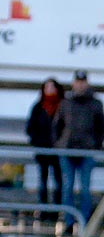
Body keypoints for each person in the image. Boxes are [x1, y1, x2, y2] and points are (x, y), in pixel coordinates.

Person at [53, 70, 104, 228]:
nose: (80, 84)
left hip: (86, 151)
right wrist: (60, 144)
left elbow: (101, 128)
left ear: (87, 83)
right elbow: (57, 126)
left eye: (83, 81)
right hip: (68, 151)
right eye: (78, 81)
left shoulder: (96, 103)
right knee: (67, 187)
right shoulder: (65, 103)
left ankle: (84, 222)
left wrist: (95, 145)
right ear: (73, 83)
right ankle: (68, 221)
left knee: (85, 188)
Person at [25, 78, 63, 206]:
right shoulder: (38, 107)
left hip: (59, 151)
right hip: (42, 150)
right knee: (43, 181)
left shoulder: (63, 106)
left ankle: (57, 209)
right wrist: (37, 142)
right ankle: (43, 209)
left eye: (52, 87)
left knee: (59, 181)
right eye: (47, 87)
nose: (50, 90)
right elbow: (30, 128)